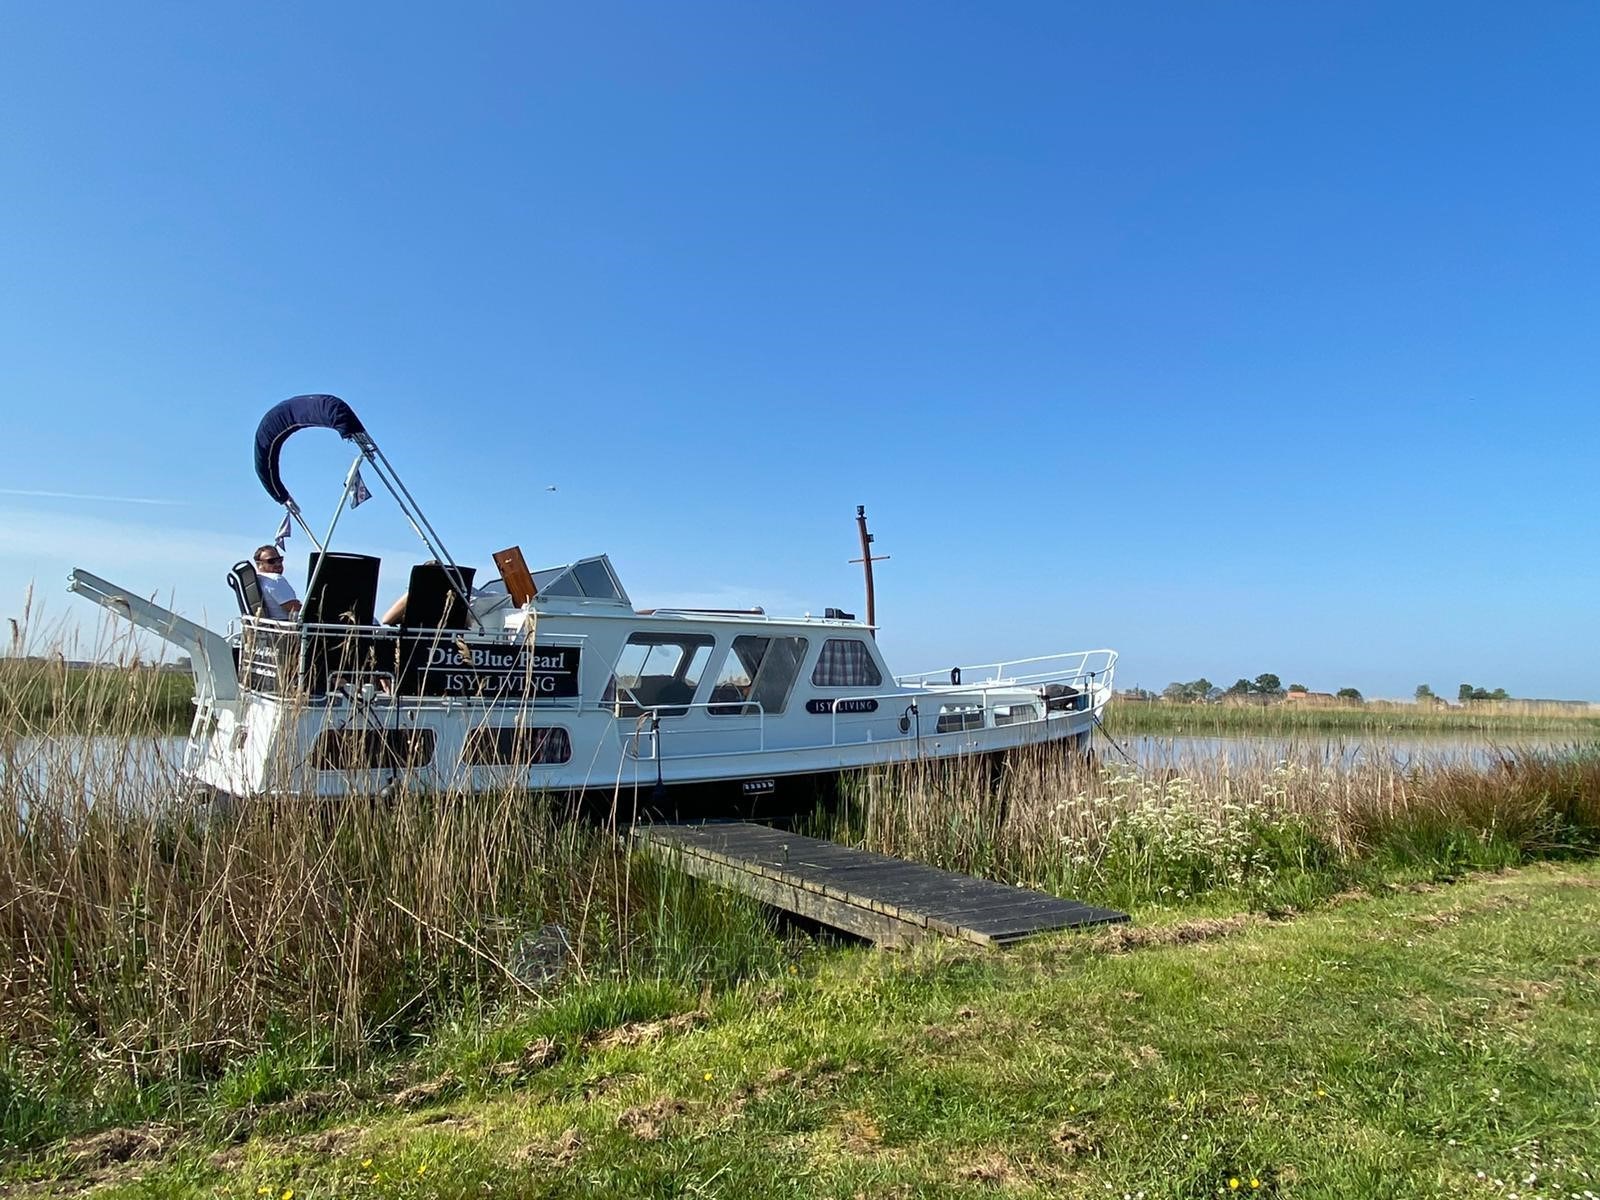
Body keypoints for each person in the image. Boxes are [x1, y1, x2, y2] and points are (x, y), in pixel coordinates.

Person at [252, 545, 302, 620]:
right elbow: (295, 608)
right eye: (271, 561)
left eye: (280, 560)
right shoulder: (275, 579)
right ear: (259, 565)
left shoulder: (257, 581)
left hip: (268, 624)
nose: (278, 564)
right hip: (285, 625)